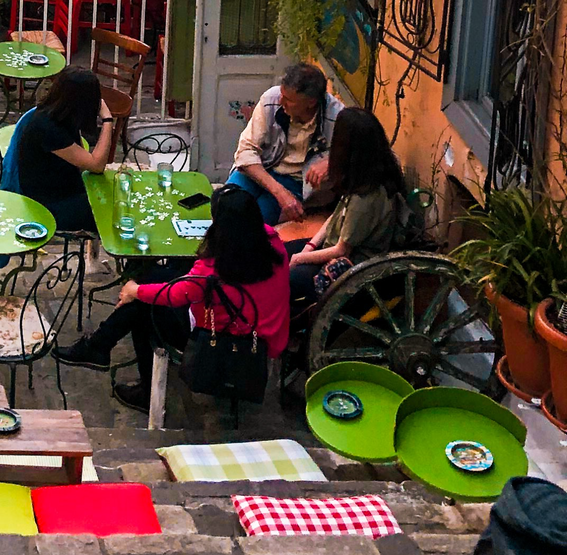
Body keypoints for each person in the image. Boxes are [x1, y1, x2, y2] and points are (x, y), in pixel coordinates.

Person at [60, 184, 290, 411]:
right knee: (156, 279)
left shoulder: (212, 269)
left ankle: (140, 387)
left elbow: (174, 295)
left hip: (224, 341)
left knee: (143, 306)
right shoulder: (272, 242)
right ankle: (99, 345)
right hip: (266, 333)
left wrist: (133, 290)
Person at [288, 107, 412, 304]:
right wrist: (310, 246)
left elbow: (341, 250)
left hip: (351, 265)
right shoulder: (367, 178)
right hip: (335, 245)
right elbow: (335, 217)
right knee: (278, 252)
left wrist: (299, 259)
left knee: (288, 278)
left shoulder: (366, 198)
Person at [0, 66, 117, 233]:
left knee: (116, 196)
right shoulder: (48, 127)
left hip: (62, 190)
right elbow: (96, 165)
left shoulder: (55, 113)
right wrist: (108, 120)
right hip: (47, 205)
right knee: (114, 211)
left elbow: (82, 158)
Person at [227, 61, 342, 225]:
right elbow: (245, 151)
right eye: (281, 95)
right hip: (262, 168)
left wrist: (332, 163)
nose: (281, 101)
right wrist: (280, 193)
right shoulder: (271, 100)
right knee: (224, 203)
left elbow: (367, 157)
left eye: (288, 99)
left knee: (254, 222)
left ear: (311, 102)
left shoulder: (338, 118)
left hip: (297, 181)